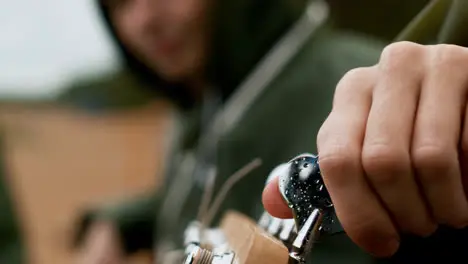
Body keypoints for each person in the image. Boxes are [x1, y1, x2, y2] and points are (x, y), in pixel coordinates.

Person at [76, 0, 468, 263]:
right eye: (120, 2)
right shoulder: (204, 97)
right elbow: (207, 178)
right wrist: (120, 222)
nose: (145, 19)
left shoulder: (363, 96)